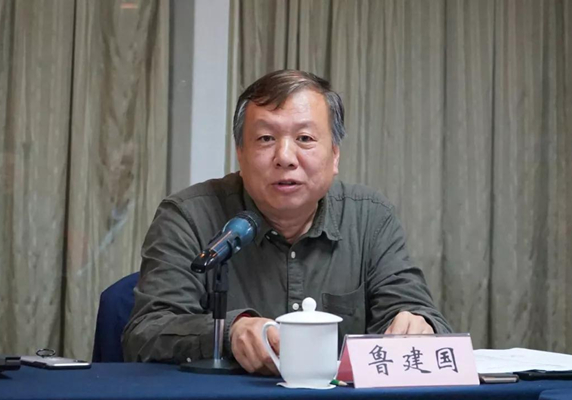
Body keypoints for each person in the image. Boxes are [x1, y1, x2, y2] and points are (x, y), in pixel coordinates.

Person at [122, 70, 451, 374]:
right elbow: (146, 332)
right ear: (240, 153)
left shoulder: (370, 218)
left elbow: (416, 312)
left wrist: (417, 324)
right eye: (266, 138)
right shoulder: (189, 216)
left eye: (305, 138)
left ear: (335, 154)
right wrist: (229, 332)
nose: (285, 157)